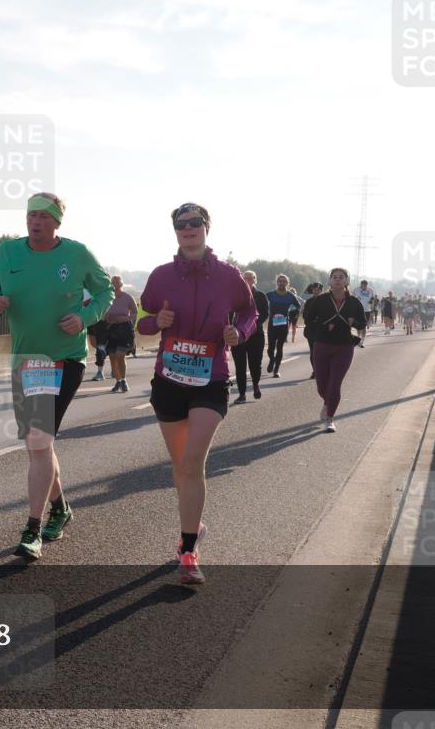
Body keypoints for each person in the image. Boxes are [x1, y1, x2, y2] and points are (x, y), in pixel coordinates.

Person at [0, 192, 113, 562]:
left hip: (65, 358)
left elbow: (106, 292)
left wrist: (84, 318)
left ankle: (32, 528)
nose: (34, 221)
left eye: (43, 216)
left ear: (56, 222)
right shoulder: (7, 253)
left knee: (38, 440)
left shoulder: (77, 253)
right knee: (39, 446)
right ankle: (61, 508)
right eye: (31, 214)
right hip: (27, 360)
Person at [136, 202, 256, 584]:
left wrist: (241, 334)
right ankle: (195, 526)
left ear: (207, 228)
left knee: (192, 464)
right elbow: (143, 322)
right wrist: (159, 321)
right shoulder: (160, 276)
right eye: (180, 224)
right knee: (179, 466)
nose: (187, 229)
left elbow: (250, 314)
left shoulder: (229, 276)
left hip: (210, 378)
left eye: (194, 223)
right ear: (175, 231)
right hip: (169, 379)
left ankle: (188, 551)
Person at [302, 268, 366, 433]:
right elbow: (308, 319)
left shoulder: (353, 301)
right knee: (322, 385)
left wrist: (353, 321)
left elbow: (362, 323)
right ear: (330, 281)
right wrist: (323, 324)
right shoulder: (321, 299)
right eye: (334, 277)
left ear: (346, 281)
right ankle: (327, 401)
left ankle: (330, 419)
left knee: (335, 383)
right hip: (322, 345)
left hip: (344, 346)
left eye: (341, 277)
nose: (338, 280)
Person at [230, 270, 268, 403]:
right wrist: (231, 328)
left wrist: (250, 326)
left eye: (249, 278)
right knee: (240, 366)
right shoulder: (235, 295)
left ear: (254, 280)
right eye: (243, 278)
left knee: (255, 364)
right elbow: (229, 313)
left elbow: (264, 314)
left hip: (255, 335)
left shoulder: (260, 296)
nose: (246, 280)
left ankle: (256, 385)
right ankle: (242, 394)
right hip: (238, 336)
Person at [104, 275, 138, 394]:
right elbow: (101, 311)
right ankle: (118, 381)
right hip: (111, 329)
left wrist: (126, 319)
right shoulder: (107, 297)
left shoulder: (128, 297)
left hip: (124, 330)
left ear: (121, 284)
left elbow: (135, 312)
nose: (115, 285)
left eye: (117, 282)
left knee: (120, 355)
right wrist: (106, 317)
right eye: (113, 283)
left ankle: (124, 380)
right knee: (112, 357)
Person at [265, 274, 300, 377]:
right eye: (280, 281)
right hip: (272, 324)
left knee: (280, 347)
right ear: (277, 282)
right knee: (270, 348)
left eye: (284, 281)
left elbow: (298, 307)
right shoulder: (270, 294)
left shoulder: (290, 295)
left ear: (287, 283)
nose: (282, 283)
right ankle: (272, 360)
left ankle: (276, 370)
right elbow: (261, 303)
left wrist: (292, 313)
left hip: (284, 324)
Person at [301, 282, 324, 378]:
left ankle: (323, 370)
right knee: (313, 352)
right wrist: (311, 320)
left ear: (321, 291)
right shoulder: (309, 302)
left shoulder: (326, 301)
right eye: (314, 289)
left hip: (323, 330)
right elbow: (305, 316)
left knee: (322, 352)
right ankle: (315, 371)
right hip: (311, 330)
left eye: (318, 290)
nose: (316, 291)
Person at [86, 294, 110, 381]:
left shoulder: (103, 290)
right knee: (94, 344)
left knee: (100, 347)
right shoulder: (87, 290)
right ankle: (106, 351)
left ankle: (100, 372)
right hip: (91, 320)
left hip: (102, 321)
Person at [352, 280, 375, 347]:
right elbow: (352, 298)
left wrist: (371, 303)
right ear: (361, 285)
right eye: (362, 285)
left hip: (367, 310)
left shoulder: (370, 290)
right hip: (358, 310)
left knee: (364, 326)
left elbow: (372, 299)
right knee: (358, 326)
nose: (364, 287)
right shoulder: (356, 290)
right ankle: (358, 338)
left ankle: (362, 340)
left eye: (365, 285)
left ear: (366, 285)